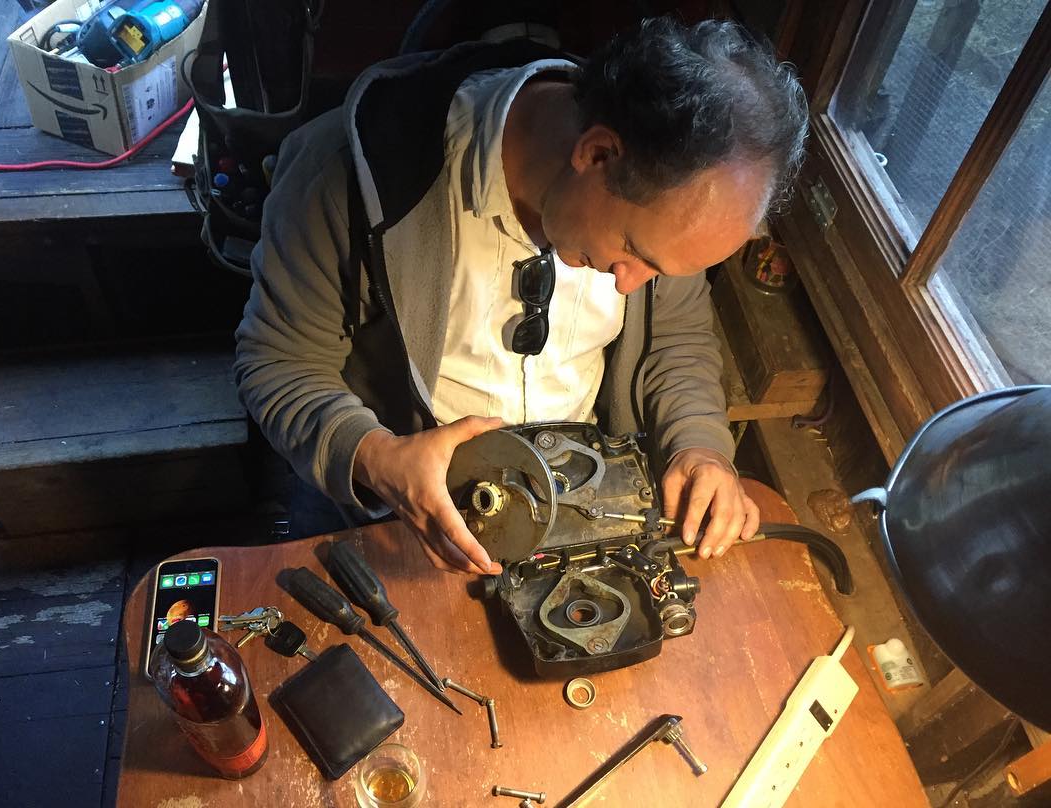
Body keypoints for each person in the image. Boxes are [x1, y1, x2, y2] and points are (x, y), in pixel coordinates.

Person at [235, 17, 808, 575]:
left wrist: (699, 448)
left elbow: (676, 342)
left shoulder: (670, 200)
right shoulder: (341, 178)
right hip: (404, 518)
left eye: (659, 273)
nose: (632, 285)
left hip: (578, 508)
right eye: (634, 251)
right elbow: (278, 364)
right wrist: (377, 458)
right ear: (598, 153)